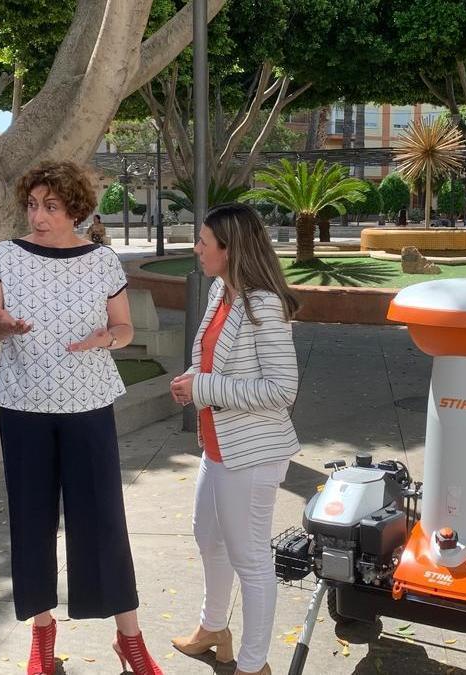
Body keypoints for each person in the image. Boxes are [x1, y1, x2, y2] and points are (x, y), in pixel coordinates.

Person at [0, 161, 161, 675]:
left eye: (50, 206)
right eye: (33, 205)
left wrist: (107, 339)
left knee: (102, 520)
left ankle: (130, 639)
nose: (38, 215)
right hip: (23, 406)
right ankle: (42, 633)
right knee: (30, 520)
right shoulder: (4, 256)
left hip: (88, 405)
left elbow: (123, 328)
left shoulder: (102, 260)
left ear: (75, 209)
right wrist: (0, 326)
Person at [169, 203, 302, 675]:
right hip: (218, 446)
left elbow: (282, 390)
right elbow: (214, 364)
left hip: (253, 453)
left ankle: (253, 664)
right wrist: (192, 378)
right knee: (208, 537)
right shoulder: (219, 293)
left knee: (251, 559)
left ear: (230, 249)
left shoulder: (263, 303)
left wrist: (203, 388)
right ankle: (213, 629)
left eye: (204, 241)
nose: (196, 247)